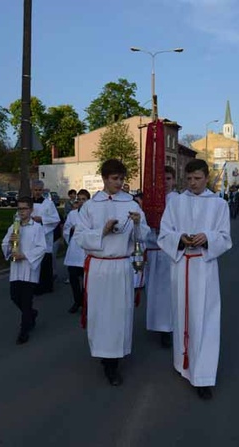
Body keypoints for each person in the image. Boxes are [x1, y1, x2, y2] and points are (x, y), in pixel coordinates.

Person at [158, 159, 232, 400]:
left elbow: (224, 237)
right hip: (181, 266)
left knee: (205, 320)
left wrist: (207, 237)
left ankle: (203, 376)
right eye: (189, 179)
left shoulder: (219, 204)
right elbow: (164, 233)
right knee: (182, 316)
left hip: (205, 267)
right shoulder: (176, 202)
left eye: (198, 178)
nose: (193, 183)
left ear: (207, 177)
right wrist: (180, 238)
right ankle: (183, 363)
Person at [74, 159, 150, 386]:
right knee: (100, 314)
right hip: (98, 266)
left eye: (121, 178)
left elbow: (142, 238)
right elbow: (79, 237)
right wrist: (102, 232)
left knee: (119, 313)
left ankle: (114, 362)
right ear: (104, 178)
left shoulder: (132, 204)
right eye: (114, 179)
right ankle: (103, 353)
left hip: (121, 266)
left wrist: (137, 224)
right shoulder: (90, 205)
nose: (119, 183)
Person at [1, 197, 47, 345]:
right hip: (16, 268)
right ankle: (32, 314)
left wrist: (25, 255)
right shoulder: (14, 227)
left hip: (29, 268)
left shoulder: (37, 228)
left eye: (24, 208)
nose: (21, 211)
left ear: (31, 210)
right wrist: (9, 243)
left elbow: (41, 247)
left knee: (26, 301)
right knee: (14, 296)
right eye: (19, 208)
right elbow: (4, 243)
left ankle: (24, 331)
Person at [145, 166, 180, 348]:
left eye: (167, 179)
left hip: (169, 253)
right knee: (154, 292)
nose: (164, 183)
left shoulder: (178, 201)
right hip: (153, 251)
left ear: (173, 180)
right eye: (161, 179)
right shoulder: (151, 200)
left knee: (168, 292)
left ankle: (169, 327)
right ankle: (158, 324)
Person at [31, 180, 61, 295]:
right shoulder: (28, 204)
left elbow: (56, 219)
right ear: (32, 190)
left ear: (43, 190)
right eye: (35, 190)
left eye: (39, 190)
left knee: (45, 262)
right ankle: (34, 285)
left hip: (45, 236)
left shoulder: (49, 204)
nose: (37, 192)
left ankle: (46, 286)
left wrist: (42, 219)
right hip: (31, 236)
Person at [63, 189, 90, 314]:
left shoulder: (93, 215)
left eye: (84, 199)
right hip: (74, 251)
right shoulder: (72, 214)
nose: (81, 202)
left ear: (88, 201)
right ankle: (77, 300)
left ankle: (85, 302)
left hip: (86, 252)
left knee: (86, 280)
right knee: (73, 279)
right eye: (79, 199)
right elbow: (66, 229)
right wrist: (71, 230)